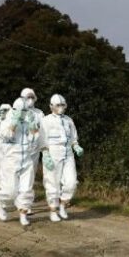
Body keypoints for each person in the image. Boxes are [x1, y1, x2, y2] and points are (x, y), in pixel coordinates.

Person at [0, 97, 44, 226]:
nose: (24, 113)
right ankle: (3, 205)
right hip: (11, 160)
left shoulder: (28, 120)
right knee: (10, 191)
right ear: (15, 110)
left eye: (26, 110)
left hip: (27, 159)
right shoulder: (7, 120)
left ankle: (23, 213)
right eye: (22, 110)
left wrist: (33, 127)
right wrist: (14, 123)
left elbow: (35, 139)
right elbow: (5, 136)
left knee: (26, 189)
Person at [42, 94, 83, 222]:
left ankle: (63, 205)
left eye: (62, 105)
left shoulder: (68, 120)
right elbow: (41, 139)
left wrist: (76, 146)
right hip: (53, 154)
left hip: (68, 154)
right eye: (58, 105)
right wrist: (45, 154)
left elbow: (73, 137)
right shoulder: (46, 120)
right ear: (51, 106)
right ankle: (53, 210)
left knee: (71, 182)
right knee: (52, 183)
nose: (61, 107)